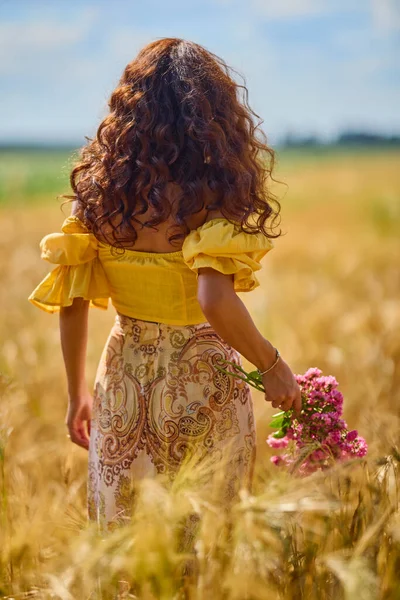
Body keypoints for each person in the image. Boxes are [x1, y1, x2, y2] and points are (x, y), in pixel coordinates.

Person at [28, 38, 302, 535]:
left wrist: (75, 395)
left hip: (123, 378)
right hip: (205, 384)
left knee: (124, 542)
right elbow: (214, 299)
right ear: (213, 115)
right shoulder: (212, 194)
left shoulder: (97, 193)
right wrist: (273, 366)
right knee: (209, 544)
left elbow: (73, 302)